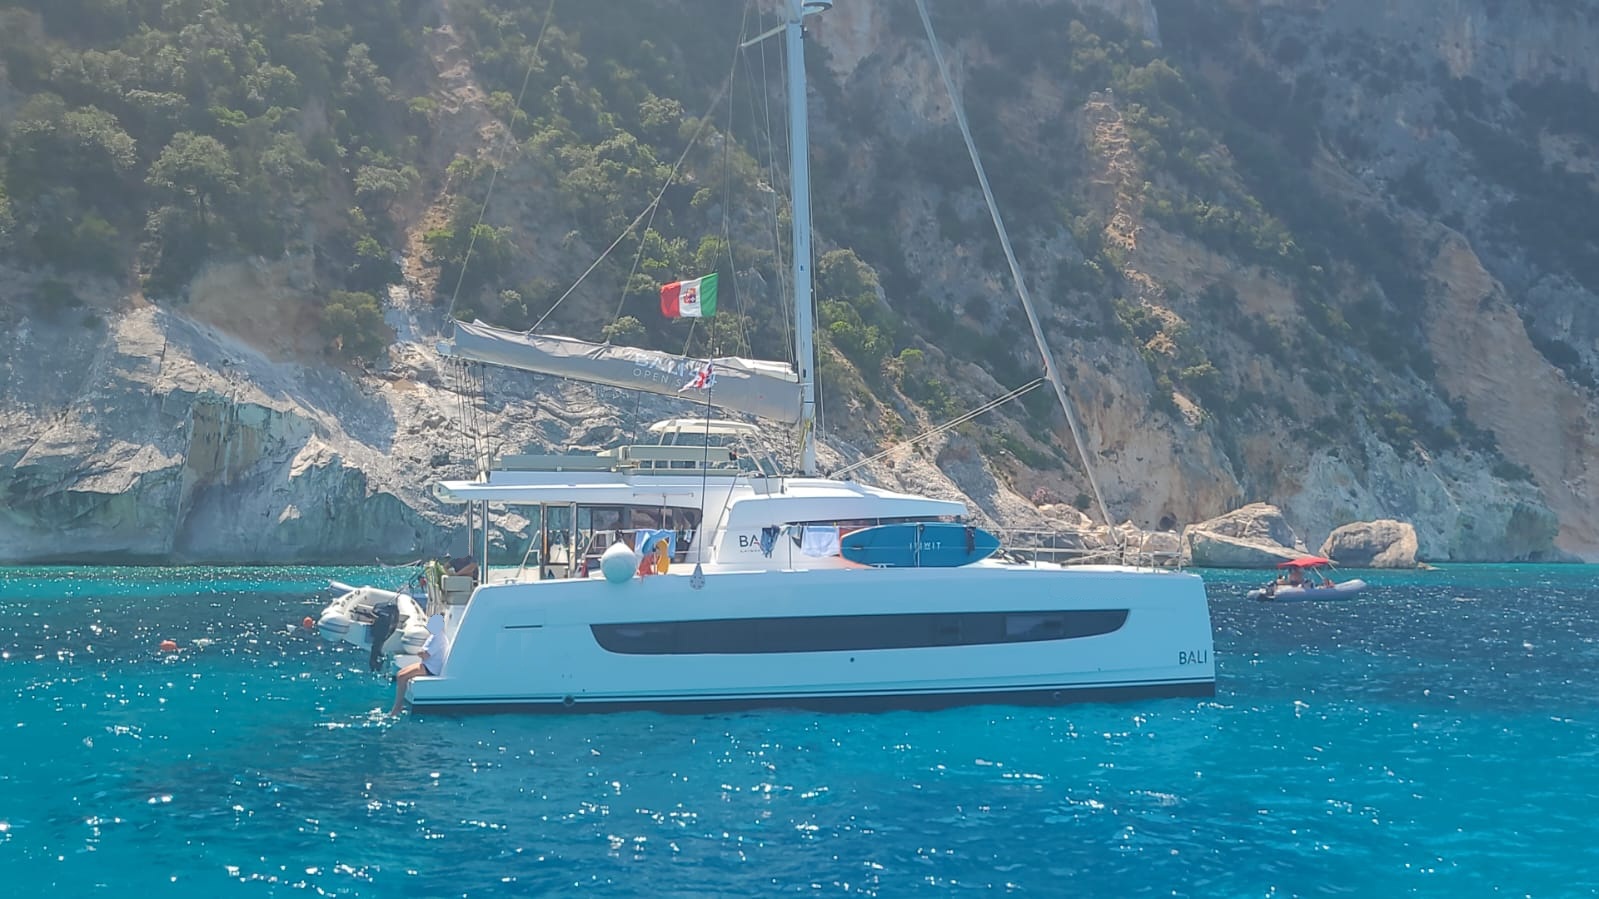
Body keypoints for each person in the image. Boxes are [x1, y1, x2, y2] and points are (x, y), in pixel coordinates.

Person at [390, 614, 448, 716]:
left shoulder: (438, 638)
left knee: (401, 677)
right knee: (400, 673)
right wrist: (420, 652)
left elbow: (425, 655)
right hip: (427, 664)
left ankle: (397, 707)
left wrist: (420, 652)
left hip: (430, 668)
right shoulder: (435, 636)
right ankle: (399, 705)